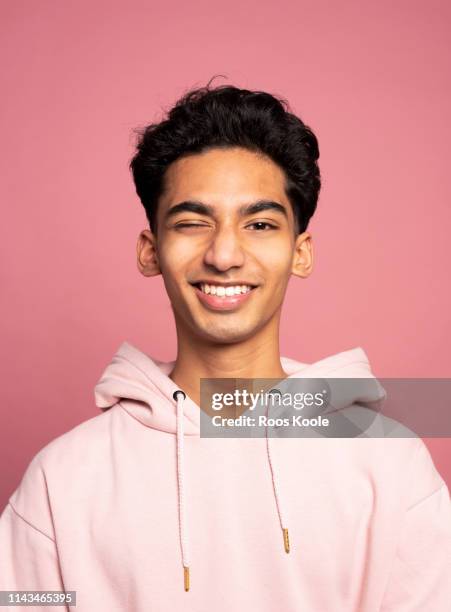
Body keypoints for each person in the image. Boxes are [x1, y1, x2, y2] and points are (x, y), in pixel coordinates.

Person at [1, 82, 450, 611]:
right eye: (192, 223)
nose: (225, 254)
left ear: (300, 252)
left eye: (260, 224)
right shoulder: (62, 479)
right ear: (151, 251)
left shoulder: (390, 463)